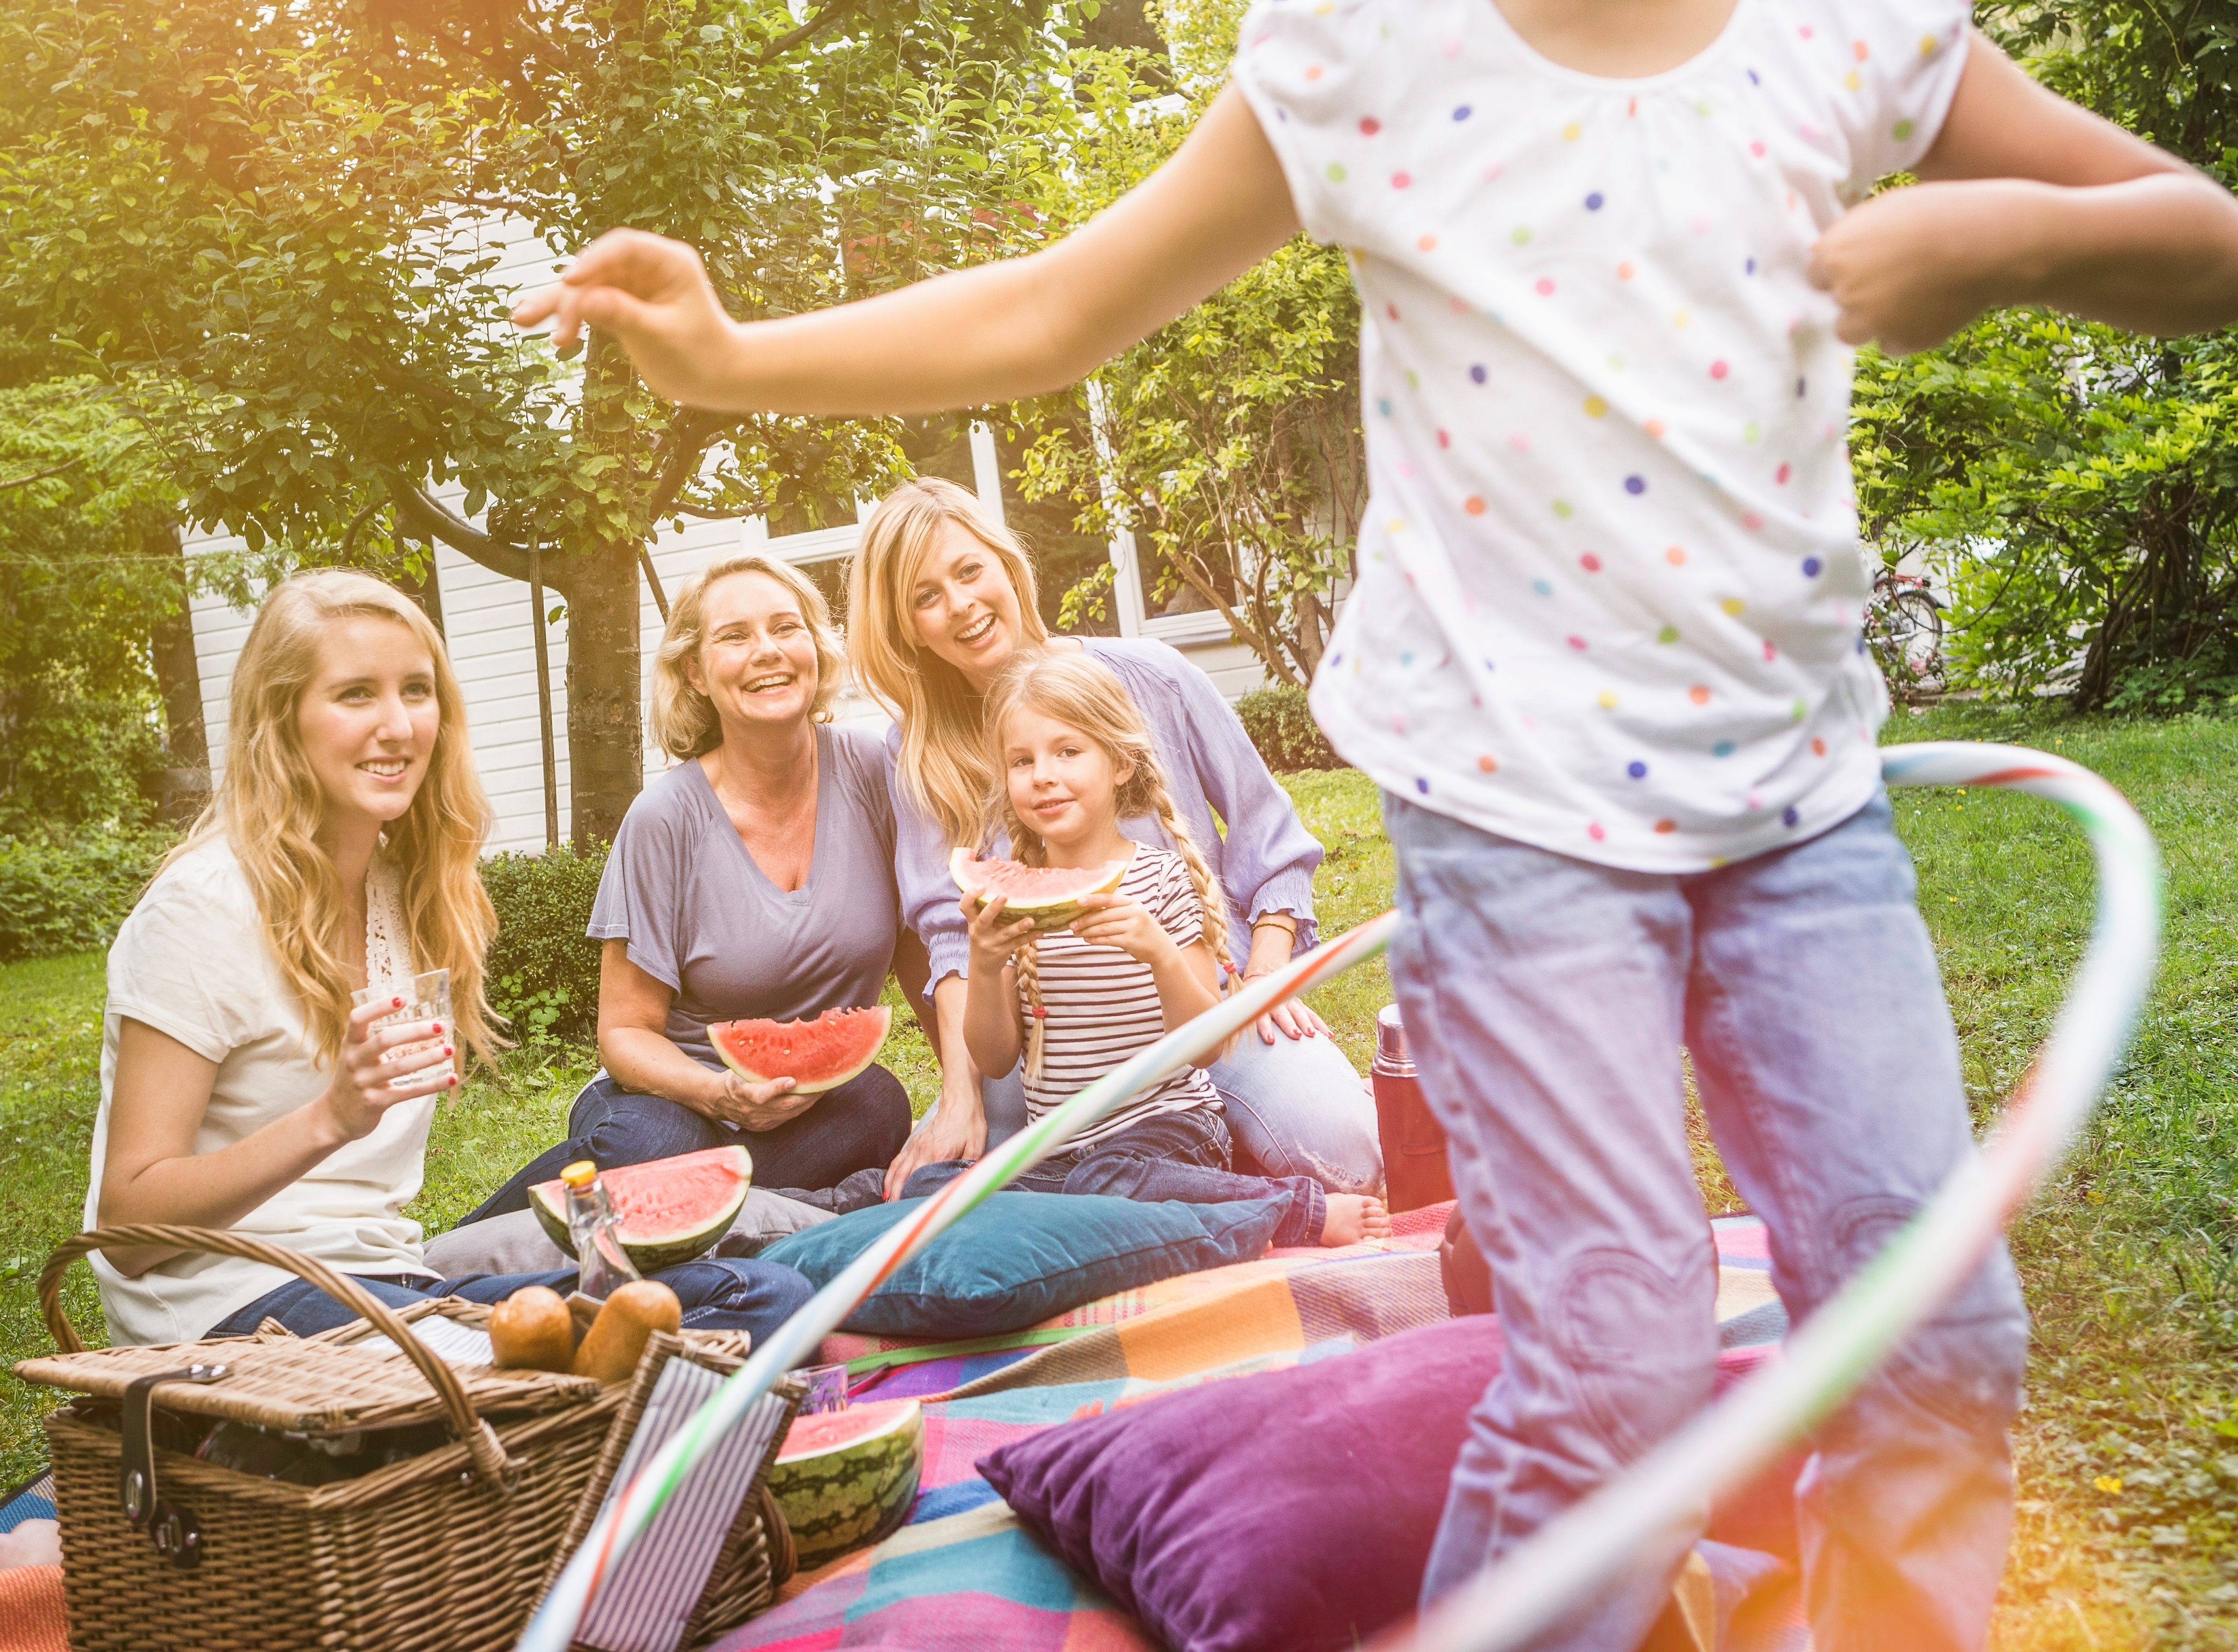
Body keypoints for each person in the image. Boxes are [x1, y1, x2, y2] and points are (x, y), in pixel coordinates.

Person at [510, 0, 2238, 1636]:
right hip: (1513, 824)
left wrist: (2008, 231)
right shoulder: (1368, 63)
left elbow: (2213, 244)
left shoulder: (1858, 21)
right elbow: (1054, 307)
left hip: (1796, 816)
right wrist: (732, 357)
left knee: (1931, 1315)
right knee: (1611, 1356)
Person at [87, 568, 809, 1346]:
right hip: (230, 1308)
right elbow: (127, 1232)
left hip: (390, 1286)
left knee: (757, 1296)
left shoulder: (406, 896)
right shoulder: (203, 907)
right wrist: (329, 1119)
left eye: (416, 690)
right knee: (552, 1370)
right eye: (355, 694)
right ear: (281, 717)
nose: (398, 725)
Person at [850, 478, 1386, 1202]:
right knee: (952, 1190)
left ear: (1007, 564)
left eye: (970, 570)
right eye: (927, 596)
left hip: (1206, 1000)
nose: (962, 604)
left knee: (1352, 1158)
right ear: (908, 628)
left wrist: (1264, 980)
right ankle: (1194, 1179)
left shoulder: (1153, 675)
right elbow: (952, 939)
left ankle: (1201, 1164)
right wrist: (960, 1095)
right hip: (1052, 1044)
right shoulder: (917, 752)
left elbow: (1272, 839)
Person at [465, 553, 928, 1220]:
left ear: (816, 646)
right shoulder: (665, 818)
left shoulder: (874, 770)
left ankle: (700, 1218)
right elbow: (625, 1032)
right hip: (665, 1098)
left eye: (785, 627)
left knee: (879, 1104)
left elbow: (920, 951)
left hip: (801, 1112)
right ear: (695, 671)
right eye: (735, 636)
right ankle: (468, 1249)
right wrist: (718, 1093)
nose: (766, 650)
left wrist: (973, 1100)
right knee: (659, 1145)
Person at [964, 650, 1389, 1245]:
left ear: (1121, 763)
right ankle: (1190, 1223)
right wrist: (985, 963)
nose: (1043, 775)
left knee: (1107, 1181)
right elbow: (994, 1059)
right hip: (1063, 1154)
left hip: (1171, 1132)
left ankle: (1295, 1210)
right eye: (1022, 760)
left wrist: (1160, 953)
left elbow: (1207, 1045)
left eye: (1068, 751)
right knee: (944, 1188)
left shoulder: (1164, 880)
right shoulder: (1013, 903)